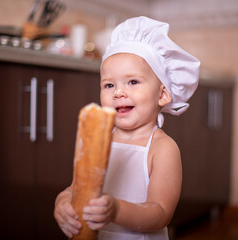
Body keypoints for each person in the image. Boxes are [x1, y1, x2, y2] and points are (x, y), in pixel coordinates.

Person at [54, 16, 200, 239]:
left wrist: (117, 210)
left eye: (132, 82)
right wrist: (63, 201)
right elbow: (77, 187)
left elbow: (161, 213)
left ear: (162, 94)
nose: (118, 92)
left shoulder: (162, 149)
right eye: (109, 85)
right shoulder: (96, 140)